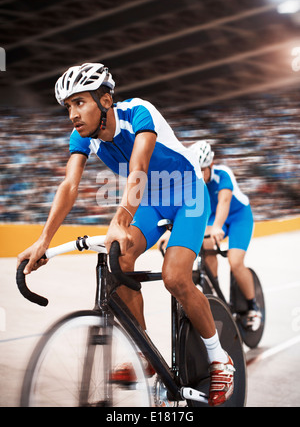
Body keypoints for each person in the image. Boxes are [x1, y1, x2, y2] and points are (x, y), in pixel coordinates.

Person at [17, 63, 234, 406]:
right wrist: (43, 240)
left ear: (105, 100)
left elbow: (139, 168)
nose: (73, 113)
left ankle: (220, 357)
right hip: (152, 199)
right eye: (68, 106)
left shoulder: (139, 113)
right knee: (119, 256)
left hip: (188, 194)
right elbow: (69, 186)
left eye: (80, 103)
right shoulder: (82, 138)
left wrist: (120, 217)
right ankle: (145, 352)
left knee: (175, 277)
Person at [160, 140, 261, 330]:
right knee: (206, 248)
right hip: (213, 217)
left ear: (211, 165)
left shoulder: (223, 174)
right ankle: (215, 292)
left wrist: (217, 226)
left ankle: (252, 307)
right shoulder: (192, 179)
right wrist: (170, 232)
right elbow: (183, 207)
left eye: (202, 170)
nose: (199, 174)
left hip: (238, 217)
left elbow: (224, 202)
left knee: (235, 262)